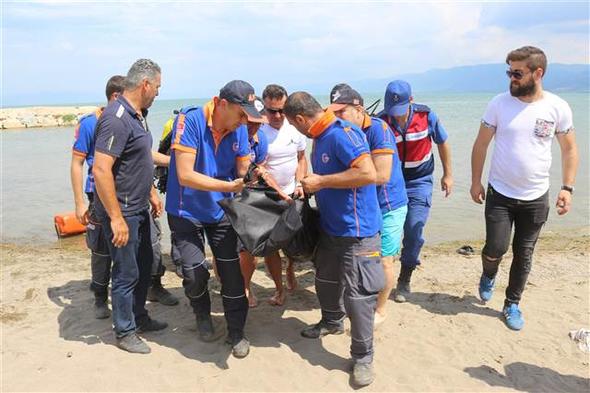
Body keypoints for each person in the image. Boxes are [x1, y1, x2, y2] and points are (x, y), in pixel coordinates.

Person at [470, 46, 579, 331]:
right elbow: (481, 144)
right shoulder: (498, 104)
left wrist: (567, 188)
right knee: (495, 247)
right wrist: (475, 181)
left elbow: (569, 150)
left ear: (537, 73)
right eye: (509, 72)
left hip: (536, 197)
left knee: (524, 252)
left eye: (517, 73)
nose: (511, 78)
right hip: (500, 194)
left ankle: (512, 304)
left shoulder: (557, 107)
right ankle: (489, 273)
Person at [284, 91, 384, 387]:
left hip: (359, 232)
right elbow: (332, 175)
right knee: (325, 280)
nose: (295, 130)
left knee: (359, 297)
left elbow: (368, 173)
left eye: (293, 124)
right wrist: (311, 189)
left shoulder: (343, 133)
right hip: (330, 228)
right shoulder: (320, 136)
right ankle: (331, 321)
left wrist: (321, 181)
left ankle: (363, 357)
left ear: (301, 119)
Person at [165, 80, 262, 358]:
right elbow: (184, 175)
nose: (244, 122)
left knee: (233, 275)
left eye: (247, 117)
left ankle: (236, 332)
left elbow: (242, 168)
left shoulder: (239, 128)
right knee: (195, 273)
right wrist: (228, 187)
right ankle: (201, 314)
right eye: (240, 114)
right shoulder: (191, 120)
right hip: (186, 211)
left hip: (220, 211)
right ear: (221, 104)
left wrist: (253, 174)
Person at [93, 59, 168, 354]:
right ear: (145, 84)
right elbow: (101, 169)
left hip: (138, 207)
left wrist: (151, 190)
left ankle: (140, 317)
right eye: (158, 87)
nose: (159, 93)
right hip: (121, 211)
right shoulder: (116, 117)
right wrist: (115, 218)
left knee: (144, 264)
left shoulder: (137, 116)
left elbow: (139, 157)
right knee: (125, 272)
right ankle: (124, 331)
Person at [328, 84, 408, 325]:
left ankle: (381, 309)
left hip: (389, 205)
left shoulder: (378, 130)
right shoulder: (340, 130)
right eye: (333, 111)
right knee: (357, 259)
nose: (336, 117)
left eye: (341, 111)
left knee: (384, 259)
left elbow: (381, 176)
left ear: (358, 109)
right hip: (364, 206)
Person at [379, 80, 453, 303]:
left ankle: (405, 276)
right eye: (393, 112)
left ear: (411, 100)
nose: (397, 116)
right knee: (384, 230)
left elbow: (443, 142)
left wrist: (448, 174)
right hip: (392, 183)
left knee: (413, 229)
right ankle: (381, 275)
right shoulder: (381, 121)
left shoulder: (426, 116)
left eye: (401, 111)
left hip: (419, 181)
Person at [242, 84, 308, 307]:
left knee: (292, 243)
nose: (278, 116)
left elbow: (301, 157)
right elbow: (254, 167)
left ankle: (287, 274)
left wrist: (300, 183)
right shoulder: (257, 129)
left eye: (283, 109)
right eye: (272, 111)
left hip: (292, 193)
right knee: (261, 249)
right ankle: (258, 289)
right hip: (264, 197)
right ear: (264, 109)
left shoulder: (295, 127)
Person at [71, 75, 125, 319]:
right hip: (97, 194)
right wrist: (79, 202)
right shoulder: (90, 124)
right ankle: (100, 297)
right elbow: (77, 163)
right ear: (115, 97)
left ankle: (150, 287)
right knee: (101, 249)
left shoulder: (128, 120)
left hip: (125, 193)